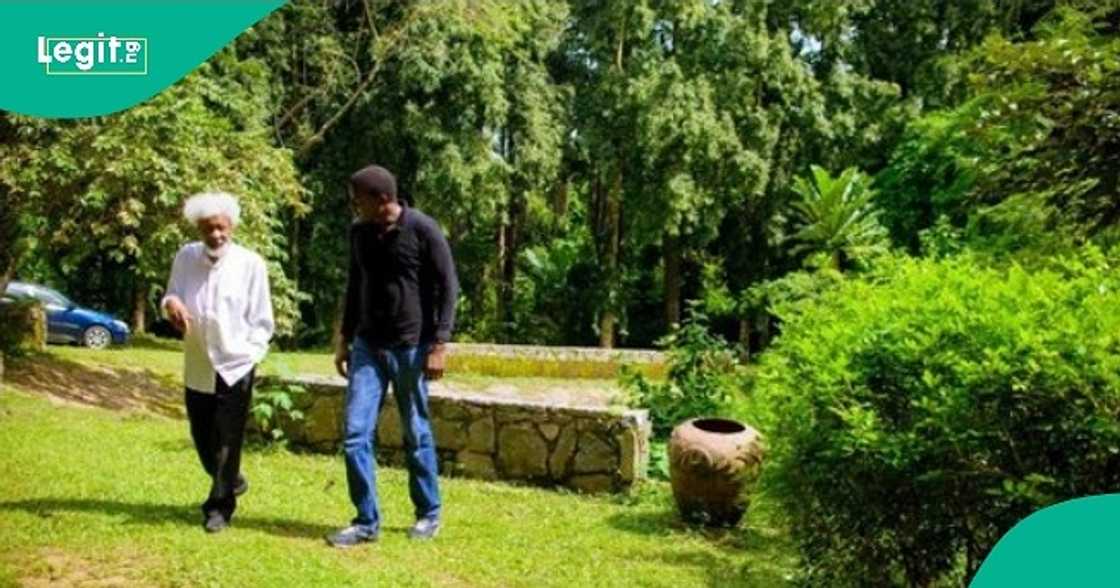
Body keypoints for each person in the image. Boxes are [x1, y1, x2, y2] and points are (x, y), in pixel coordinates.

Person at [327, 165, 459, 547]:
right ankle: (366, 521)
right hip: (369, 345)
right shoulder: (359, 233)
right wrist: (344, 338)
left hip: (411, 346)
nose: (354, 207)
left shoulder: (422, 229)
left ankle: (428, 513)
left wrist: (439, 344)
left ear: (381, 199)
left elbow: (449, 286)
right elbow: (355, 285)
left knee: (415, 433)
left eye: (358, 200)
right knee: (355, 434)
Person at [162, 191, 275, 533]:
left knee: (228, 437)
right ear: (198, 229)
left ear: (232, 226)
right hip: (197, 362)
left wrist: (250, 354)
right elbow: (171, 293)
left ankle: (219, 507)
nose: (215, 235)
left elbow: (262, 319)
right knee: (201, 435)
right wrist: (172, 304)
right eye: (208, 229)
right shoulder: (186, 257)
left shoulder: (250, 264)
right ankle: (231, 479)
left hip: (236, 363)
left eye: (221, 228)